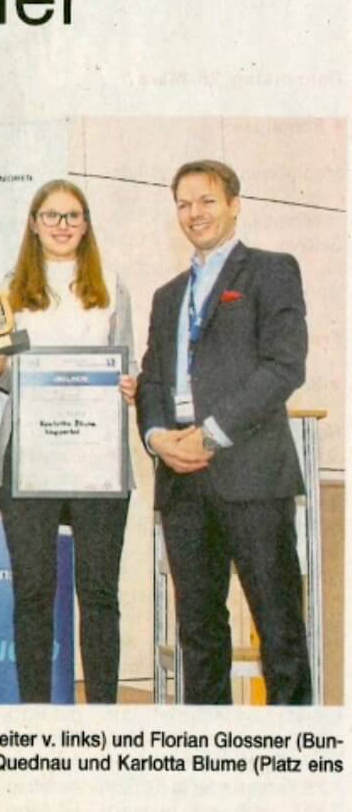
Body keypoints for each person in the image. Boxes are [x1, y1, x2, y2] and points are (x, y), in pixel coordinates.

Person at [136, 160, 311, 705]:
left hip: (251, 473)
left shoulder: (271, 271)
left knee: (278, 628)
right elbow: (152, 378)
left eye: (207, 200)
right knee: (199, 633)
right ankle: (209, 748)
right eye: (184, 204)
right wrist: (156, 437)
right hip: (181, 479)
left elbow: (284, 367)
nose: (195, 213)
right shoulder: (168, 295)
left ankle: (293, 747)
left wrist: (209, 434)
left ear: (234, 205)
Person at [0, 180, 136, 704]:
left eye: (72, 216)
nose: (62, 226)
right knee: (34, 591)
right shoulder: (6, 288)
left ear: (86, 224)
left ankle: (103, 712)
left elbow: (127, 362)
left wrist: (131, 384)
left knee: (99, 593)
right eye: (51, 216)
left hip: (98, 459)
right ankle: (36, 716)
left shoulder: (111, 284)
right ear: (34, 224)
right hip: (27, 457)